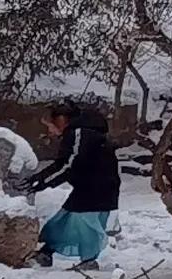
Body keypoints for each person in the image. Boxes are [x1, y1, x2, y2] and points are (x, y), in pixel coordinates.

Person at [21, 99, 117, 269]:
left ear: (61, 120)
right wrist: (39, 178)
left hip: (94, 189)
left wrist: (42, 184)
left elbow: (70, 164)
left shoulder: (78, 134)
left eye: (49, 126)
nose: (49, 131)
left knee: (85, 224)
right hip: (97, 187)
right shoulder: (85, 132)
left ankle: (88, 261)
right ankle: (46, 252)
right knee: (64, 220)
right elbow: (63, 163)